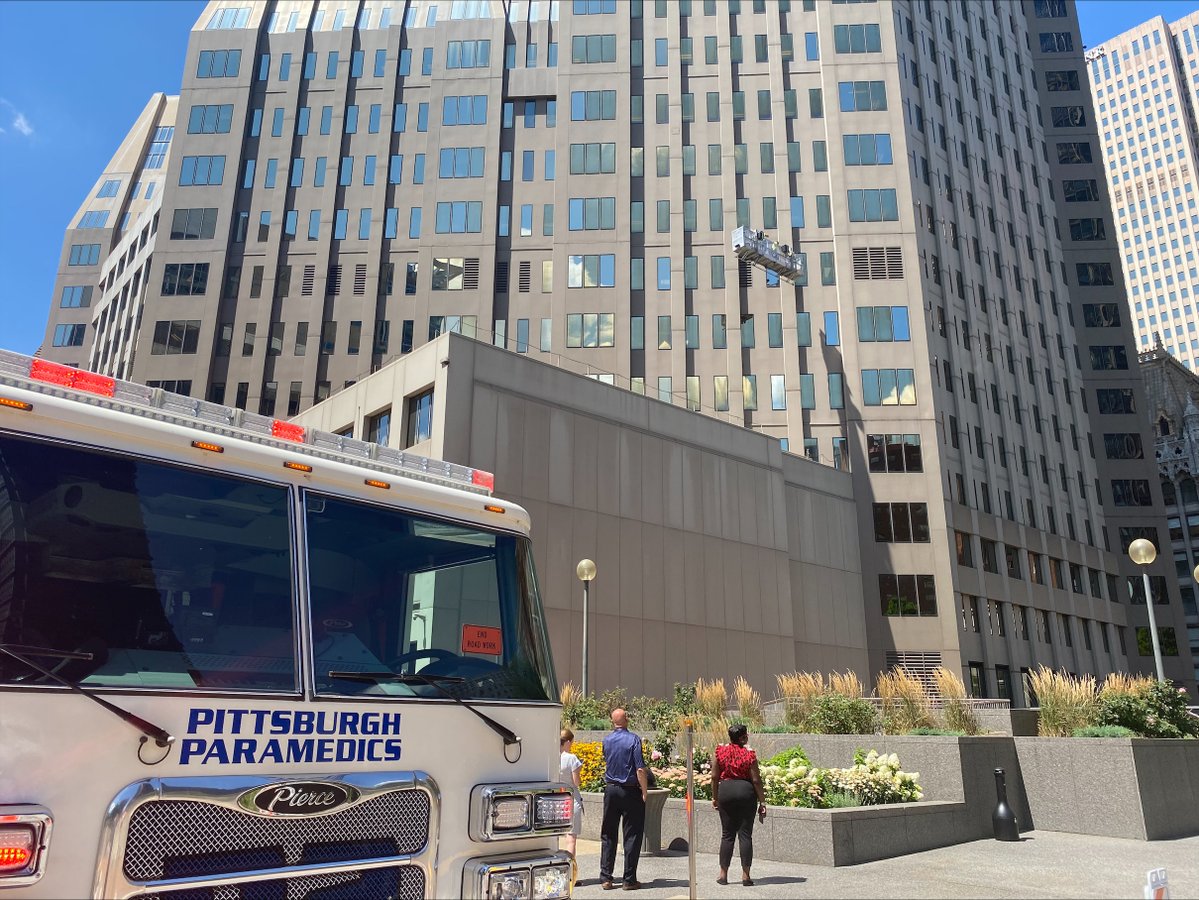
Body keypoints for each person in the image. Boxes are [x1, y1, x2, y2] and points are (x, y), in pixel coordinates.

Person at [711, 723, 766, 887]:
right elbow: (756, 780)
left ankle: (723, 875)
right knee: (745, 834)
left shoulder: (720, 751)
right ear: (743, 737)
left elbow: (714, 776)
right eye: (746, 735)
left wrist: (715, 797)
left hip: (725, 791)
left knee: (727, 834)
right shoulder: (749, 754)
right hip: (745, 792)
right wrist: (762, 801)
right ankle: (745, 876)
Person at [599, 708, 648, 891]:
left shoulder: (607, 740)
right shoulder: (633, 739)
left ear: (613, 722)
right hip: (630, 791)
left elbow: (607, 759)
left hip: (611, 789)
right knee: (632, 835)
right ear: (625, 720)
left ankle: (606, 877)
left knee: (608, 834)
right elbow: (640, 769)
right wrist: (644, 791)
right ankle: (629, 879)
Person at [559, 728, 583, 859]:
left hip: (556, 799)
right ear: (568, 742)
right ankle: (571, 873)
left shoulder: (552, 757)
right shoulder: (571, 758)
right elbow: (576, 782)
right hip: (571, 799)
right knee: (571, 839)